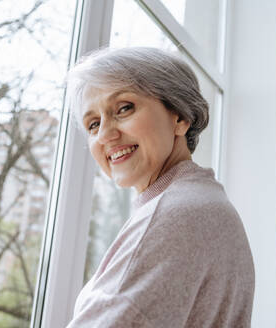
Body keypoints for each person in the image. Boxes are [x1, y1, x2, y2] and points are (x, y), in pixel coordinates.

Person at [65, 47, 254, 327]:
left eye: (124, 108)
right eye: (93, 124)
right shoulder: (203, 200)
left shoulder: (175, 214)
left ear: (179, 117)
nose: (105, 134)